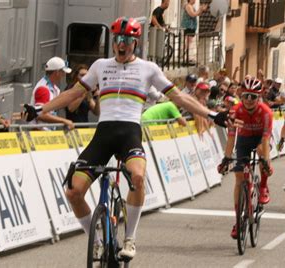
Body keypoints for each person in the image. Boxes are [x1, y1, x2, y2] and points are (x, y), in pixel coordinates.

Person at [23, 16, 231, 259]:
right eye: (118, 39)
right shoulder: (100, 66)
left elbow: (180, 98)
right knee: (73, 191)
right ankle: (97, 240)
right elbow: (72, 94)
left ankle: (130, 239)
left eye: (128, 40)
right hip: (103, 135)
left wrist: (212, 114)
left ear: (136, 43)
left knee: (138, 177)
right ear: (114, 42)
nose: (122, 45)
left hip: (130, 133)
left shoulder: (148, 69)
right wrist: (40, 110)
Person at [218, 77, 273, 239]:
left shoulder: (266, 113)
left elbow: (265, 139)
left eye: (253, 97)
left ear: (259, 97)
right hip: (243, 139)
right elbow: (231, 138)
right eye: (246, 96)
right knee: (239, 178)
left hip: (260, 139)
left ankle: (262, 186)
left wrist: (266, 161)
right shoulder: (236, 111)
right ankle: (238, 220)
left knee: (262, 153)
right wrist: (226, 159)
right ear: (241, 95)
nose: (249, 100)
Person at [30, 56, 74, 129]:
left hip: (47, 131)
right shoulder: (43, 88)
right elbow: (40, 114)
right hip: (40, 133)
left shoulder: (54, 88)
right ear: (57, 72)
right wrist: (64, 121)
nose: (64, 75)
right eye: (63, 72)